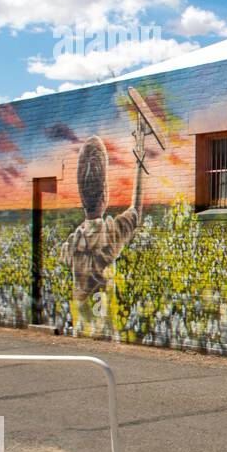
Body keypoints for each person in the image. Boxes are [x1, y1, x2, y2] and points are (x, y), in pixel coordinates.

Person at [59, 134, 142, 339]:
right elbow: (135, 211)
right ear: (105, 194)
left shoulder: (71, 244)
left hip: (81, 327)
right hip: (105, 327)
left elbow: (64, 259)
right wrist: (139, 164)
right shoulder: (110, 235)